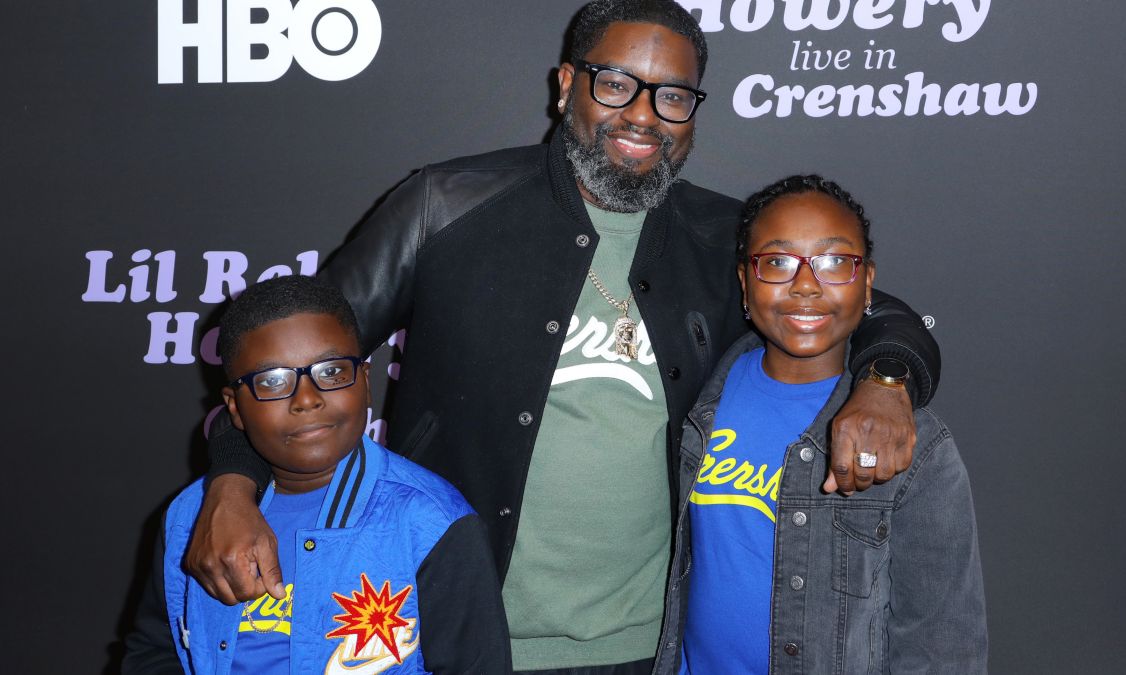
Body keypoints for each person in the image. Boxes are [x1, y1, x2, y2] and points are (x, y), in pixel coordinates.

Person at [187, 2, 941, 673]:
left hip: (649, 645)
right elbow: (278, 352)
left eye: (672, 96)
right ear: (564, 86)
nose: (643, 115)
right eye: (615, 83)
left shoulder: (723, 238)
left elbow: (858, 302)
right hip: (450, 626)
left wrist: (886, 379)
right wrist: (230, 480)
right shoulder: (442, 207)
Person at [653, 176, 986, 674]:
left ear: (868, 283)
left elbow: (942, 640)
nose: (806, 284)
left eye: (834, 262)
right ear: (745, 283)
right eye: (778, 262)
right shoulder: (700, 395)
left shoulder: (915, 443)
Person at [123, 275, 510, 674]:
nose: (307, 399)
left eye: (332, 372)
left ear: (364, 380)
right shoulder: (191, 517)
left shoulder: (429, 523)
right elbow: (155, 649)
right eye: (272, 381)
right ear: (234, 407)